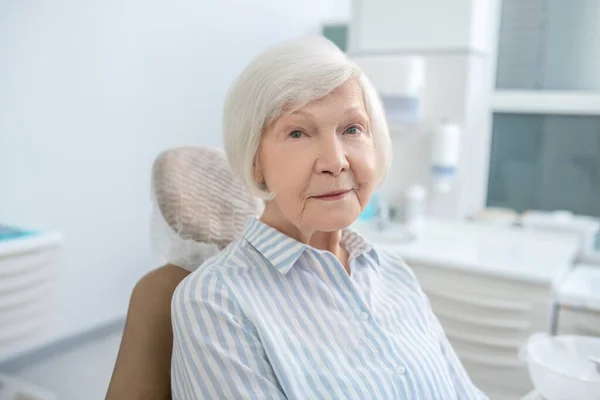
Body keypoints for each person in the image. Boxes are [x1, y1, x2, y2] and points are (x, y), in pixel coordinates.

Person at [171, 36, 488, 400]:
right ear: (255, 162)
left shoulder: (393, 273)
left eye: (352, 129)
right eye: (298, 133)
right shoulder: (217, 302)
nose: (335, 161)